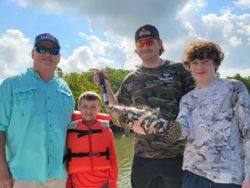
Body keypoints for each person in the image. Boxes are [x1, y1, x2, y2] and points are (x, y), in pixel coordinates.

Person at [96, 24, 195, 188]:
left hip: (178, 156)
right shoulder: (131, 79)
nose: (146, 46)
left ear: (160, 44)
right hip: (143, 157)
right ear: (136, 49)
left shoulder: (180, 70)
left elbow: (197, 106)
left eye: (149, 41)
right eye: (141, 43)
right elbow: (117, 112)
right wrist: (106, 87)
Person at [0, 33, 75, 188]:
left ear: (59, 57)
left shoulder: (65, 89)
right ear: (33, 53)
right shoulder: (10, 85)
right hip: (21, 177)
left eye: (53, 51)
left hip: (58, 177)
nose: (48, 54)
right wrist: (2, 171)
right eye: (42, 49)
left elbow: (70, 130)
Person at [175, 39, 250, 188]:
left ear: (215, 63)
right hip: (193, 174)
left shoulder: (234, 88)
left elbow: (248, 133)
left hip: (229, 177)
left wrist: (248, 176)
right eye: (194, 62)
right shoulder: (187, 99)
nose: (199, 67)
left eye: (205, 61)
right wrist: (152, 125)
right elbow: (181, 132)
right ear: (188, 67)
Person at [65, 91, 118, 188]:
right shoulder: (69, 131)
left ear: (99, 108)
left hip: (103, 185)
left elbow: (113, 160)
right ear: (78, 107)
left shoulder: (107, 131)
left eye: (93, 107)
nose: (88, 110)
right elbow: (66, 160)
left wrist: (113, 184)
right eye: (85, 106)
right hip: (77, 185)